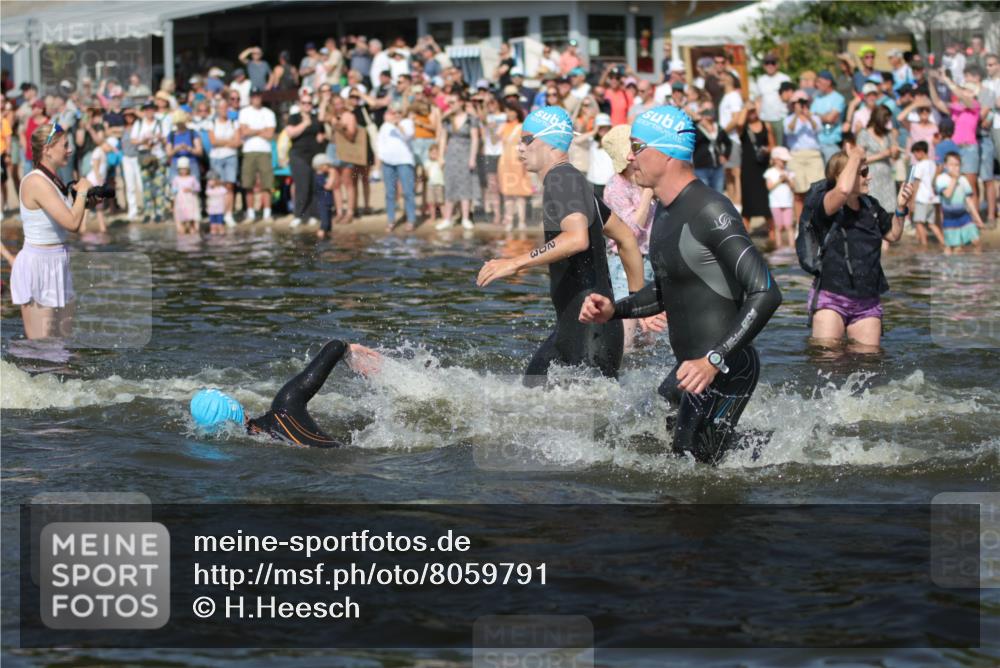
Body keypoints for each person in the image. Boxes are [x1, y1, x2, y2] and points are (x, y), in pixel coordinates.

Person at [578, 105, 782, 465]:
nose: (629, 156)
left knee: (690, 465)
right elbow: (664, 290)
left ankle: (785, 456)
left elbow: (766, 291)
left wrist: (714, 358)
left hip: (725, 366)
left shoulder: (710, 210)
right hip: (694, 368)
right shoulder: (666, 212)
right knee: (673, 439)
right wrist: (614, 309)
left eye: (637, 146)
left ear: (667, 153)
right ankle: (768, 448)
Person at [476, 106, 638, 386]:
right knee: (529, 397)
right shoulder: (575, 182)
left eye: (527, 140)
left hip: (590, 331)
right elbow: (626, 239)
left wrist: (514, 262)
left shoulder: (560, 179)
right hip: (580, 327)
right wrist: (637, 302)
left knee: (578, 421)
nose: (520, 148)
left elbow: (576, 238)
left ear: (550, 142)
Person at [804, 146, 911, 348]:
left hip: (867, 301)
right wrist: (855, 155)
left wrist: (901, 207)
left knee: (867, 368)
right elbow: (843, 190)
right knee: (827, 362)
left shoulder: (871, 206)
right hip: (831, 298)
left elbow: (894, 235)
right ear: (843, 175)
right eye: (863, 173)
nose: (868, 178)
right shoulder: (825, 204)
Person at [189, 340, 381, 445]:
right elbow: (334, 347)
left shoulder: (252, 449)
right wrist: (350, 351)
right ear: (238, 408)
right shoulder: (285, 406)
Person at [11, 123, 93, 339]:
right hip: (39, 264)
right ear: (47, 150)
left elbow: (74, 224)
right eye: (65, 145)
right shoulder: (37, 181)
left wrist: (86, 202)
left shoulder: (53, 181)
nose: (70, 150)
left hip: (58, 262)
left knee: (62, 349)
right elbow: (72, 223)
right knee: (42, 349)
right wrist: (83, 192)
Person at [599, 124, 662, 350]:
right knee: (626, 336)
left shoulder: (644, 179)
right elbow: (630, 233)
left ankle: (643, 382)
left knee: (649, 336)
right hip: (623, 263)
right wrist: (648, 194)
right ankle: (616, 381)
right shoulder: (615, 187)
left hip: (651, 262)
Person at [437, 93, 480, 230]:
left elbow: (475, 138)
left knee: (465, 185)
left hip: (466, 154)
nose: (451, 105)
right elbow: (443, 138)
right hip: (451, 155)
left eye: (453, 102)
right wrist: (441, 156)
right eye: (449, 103)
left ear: (461, 102)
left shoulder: (470, 119)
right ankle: (447, 218)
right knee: (450, 185)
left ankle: (465, 218)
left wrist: (472, 157)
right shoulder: (448, 119)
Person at [378, 102, 417, 232]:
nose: (396, 115)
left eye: (398, 112)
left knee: (408, 192)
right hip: (388, 162)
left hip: (404, 161)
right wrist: (379, 162)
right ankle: (391, 220)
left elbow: (409, 136)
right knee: (390, 193)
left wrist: (397, 124)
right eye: (393, 112)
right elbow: (379, 145)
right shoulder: (385, 126)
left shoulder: (407, 123)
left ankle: (410, 219)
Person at [935, 151, 985, 254]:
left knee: (976, 241)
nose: (954, 168)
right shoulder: (941, 179)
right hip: (949, 219)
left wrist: (978, 219)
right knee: (954, 247)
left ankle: (978, 267)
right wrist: (954, 178)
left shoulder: (963, 180)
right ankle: (951, 267)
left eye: (957, 165)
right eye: (951, 165)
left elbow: (969, 201)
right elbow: (947, 194)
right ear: (945, 165)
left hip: (964, 216)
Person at [287, 90, 324, 228]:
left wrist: (321, 137)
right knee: (302, 184)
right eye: (304, 103)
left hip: (313, 156)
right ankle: (298, 215)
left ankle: (312, 214)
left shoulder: (315, 118)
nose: (307, 105)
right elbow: (290, 133)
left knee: (313, 184)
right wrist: (304, 124)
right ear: (300, 104)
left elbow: (320, 132)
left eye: (309, 103)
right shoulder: (294, 117)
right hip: (298, 155)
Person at [238, 88, 276, 222]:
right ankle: (250, 213)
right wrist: (261, 130)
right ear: (250, 98)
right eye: (253, 96)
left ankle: (267, 213)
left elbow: (270, 134)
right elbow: (243, 132)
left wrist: (251, 130)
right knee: (248, 183)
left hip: (264, 151)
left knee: (267, 183)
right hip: (249, 150)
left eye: (258, 96)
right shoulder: (244, 112)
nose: (256, 99)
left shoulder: (268, 113)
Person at [736, 99, 774, 234]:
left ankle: (772, 236)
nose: (752, 113)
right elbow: (739, 123)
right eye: (750, 111)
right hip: (748, 169)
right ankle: (745, 235)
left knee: (766, 203)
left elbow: (772, 146)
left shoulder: (766, 125)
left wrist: (766, 150)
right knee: (748, 204)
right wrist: (746, 107)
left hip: (763, 168)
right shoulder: (743, 127)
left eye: (754, 110)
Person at [497, 101, 533, 231]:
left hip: (518, 160)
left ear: (516, 112)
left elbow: (528, 142)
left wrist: (523, 153)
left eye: (510, 110)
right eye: (506, 111)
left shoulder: (521, 126)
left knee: (520, 193)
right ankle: (509, 220)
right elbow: (494, 139)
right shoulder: (503, 126)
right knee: (507, 193)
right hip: (505, 161)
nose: (508, 113)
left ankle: (522, 221)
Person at [857, 105, 899, 210]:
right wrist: (882, 155)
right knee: (873, 208)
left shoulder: (888, 134)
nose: (887, 124)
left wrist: (894, 151)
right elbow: (859, 159)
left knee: (888, 210)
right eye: (885, 121)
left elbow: (894, 156)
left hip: (887, 177)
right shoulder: (864, 134)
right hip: (872, 177)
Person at [207, 98, 240, 226]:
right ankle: (218, 213)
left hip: (231, 156)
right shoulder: (212, 123)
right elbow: (213, 142)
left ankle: (228, 214)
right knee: (218, 185)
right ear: (217, 109)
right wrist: (228, 140)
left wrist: (222, 141)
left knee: (229, 185)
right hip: (216, 157)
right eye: (220, 108)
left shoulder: (233, 122)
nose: (223, 110)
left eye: (225, 107)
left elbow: (237, 142)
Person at [908, 141, 945, 248]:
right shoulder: (933, 164)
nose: (914, 156)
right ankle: (943, 243)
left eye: (915, 153)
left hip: (922, 199)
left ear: (920, 152)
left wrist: (912, 201)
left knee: (919, 222)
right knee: (931, 224)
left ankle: (924, 246)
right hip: (932, 199)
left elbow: (916, 184)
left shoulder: (919, 166)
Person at [752, 54, 792, 146]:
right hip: (765, 119)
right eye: (767, 63)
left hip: (780, 118)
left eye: (773, 63)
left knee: (781, 147)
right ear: (764, 66)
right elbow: (758, 99)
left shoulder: (784, 78)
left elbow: (789, 97)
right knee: (767, 147)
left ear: (777, 65)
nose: (770, 65)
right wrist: (759, 117)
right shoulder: (760, 80)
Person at [693, 100, 731, 193]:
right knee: (704, 196)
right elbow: (694, 142)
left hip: (717, 168)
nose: (709, 112)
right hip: (701, 168)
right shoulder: (695, 128)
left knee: (718, 195)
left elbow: (728, 143)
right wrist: (700, 121)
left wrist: (725, 155)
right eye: (706, 110)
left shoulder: (718, 127)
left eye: (711, 109)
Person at [811, 70, 846, 165]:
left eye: (819, 82)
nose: (817, 85)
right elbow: (810, 117)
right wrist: (824, 116)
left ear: (828, 82)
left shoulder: (838, 98)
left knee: (831, 174)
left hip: (831, 143)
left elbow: (831, 119)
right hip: (816, 143)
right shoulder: (817, 98)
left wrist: (817, 116)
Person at [764, 146, 795, 249]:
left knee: (789, 226)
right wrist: (779, 180)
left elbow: (793, 187)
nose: (785, 163)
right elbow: (769, 187)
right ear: (776, 160)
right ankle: (779, 246)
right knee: (778, 226)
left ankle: (791, 246)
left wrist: (787, 179)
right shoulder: (770, 172)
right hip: (775, 203)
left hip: (787, 203)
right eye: (783, 161)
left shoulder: (789, 172)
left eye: (786, 161)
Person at [171, 156, 200, 235]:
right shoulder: (176, 179)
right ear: (178, 170)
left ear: (188, 169)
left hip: (190, 202)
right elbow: (173, 190)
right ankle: (182, 229)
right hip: (180, 202)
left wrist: (191, 190)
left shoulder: (192, 178)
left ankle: (192, 229)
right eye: (181, 169)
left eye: (185, 169)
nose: (183, 171)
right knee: (181, 221)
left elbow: (197, 188)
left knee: (191, 222)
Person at [312, 153, 335, 240]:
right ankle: (320, 240)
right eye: (327, 165)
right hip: (323, 203)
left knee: (329, 225)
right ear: (320, 166)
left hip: (328, 202)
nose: (329, 167)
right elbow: (328, 186)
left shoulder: (324, 175)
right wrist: (333, 174)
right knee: (324, 224)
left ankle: (327, 238)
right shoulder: (318, 177)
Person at [424, 143, 446, 226]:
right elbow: (426, 175)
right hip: (430, 185)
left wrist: (439, 158)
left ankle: (444, 217)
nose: (434, 155)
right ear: (429, 153)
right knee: (431, 202)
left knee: (441, 202)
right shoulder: (427, 162)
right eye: (432, 153)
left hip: (439, 184)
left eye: (436, 153)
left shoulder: (440, 162)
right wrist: (426, 172)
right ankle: (432, 217)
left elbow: (442, 166)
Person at [205, 169, 228, 235]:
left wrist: (225, 208)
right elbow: (208, 200)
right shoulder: (209, 190)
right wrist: (207, 207)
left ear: (216, 180)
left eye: (210, 180)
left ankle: (222, 238)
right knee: (212, 226)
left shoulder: (222, 189)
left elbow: (226, 200)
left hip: (220, 210)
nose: (209, 182)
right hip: (212, 211)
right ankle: (214, 240)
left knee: (220, 225)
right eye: (208, 180)